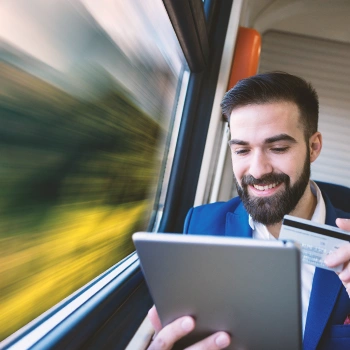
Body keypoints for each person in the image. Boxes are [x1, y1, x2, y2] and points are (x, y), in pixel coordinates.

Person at [147, 72, 350, 350]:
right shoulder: (201, 225)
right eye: (242, 151)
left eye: (277, 148)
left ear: (313, 147)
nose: (257, 170)